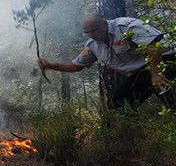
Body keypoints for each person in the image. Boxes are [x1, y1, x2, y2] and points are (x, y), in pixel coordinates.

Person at [38, 13, 176, 111]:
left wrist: (156, 73)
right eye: (87, 32)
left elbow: (153, 45)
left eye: (93, 30)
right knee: (118, 104)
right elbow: (76, 65)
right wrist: (51, 65)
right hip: (139, 73)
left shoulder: (125, 26)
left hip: (163, 62)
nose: (91, 34)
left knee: (171, 97)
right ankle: (134, 139)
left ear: (104, 24)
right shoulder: (92, 45)